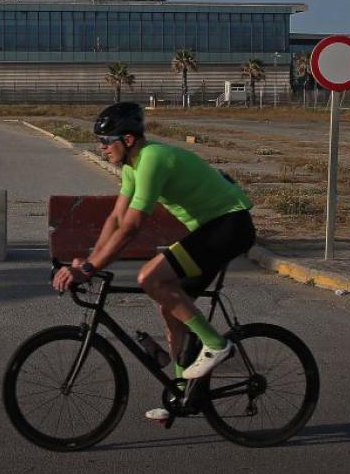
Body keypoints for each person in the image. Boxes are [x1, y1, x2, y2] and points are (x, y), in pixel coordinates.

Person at [51, 102, 257, 421]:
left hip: (230, 225)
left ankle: (216, 344)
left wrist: (89, 268)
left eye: (106, 141)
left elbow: (132, 228)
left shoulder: (152, 160)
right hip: (211, 230)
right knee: (171, 307)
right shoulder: (133, 167)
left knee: (150, 277)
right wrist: (89, 260)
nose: (101, 148)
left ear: (128, 140)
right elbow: (116, 219)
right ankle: (182, 393)